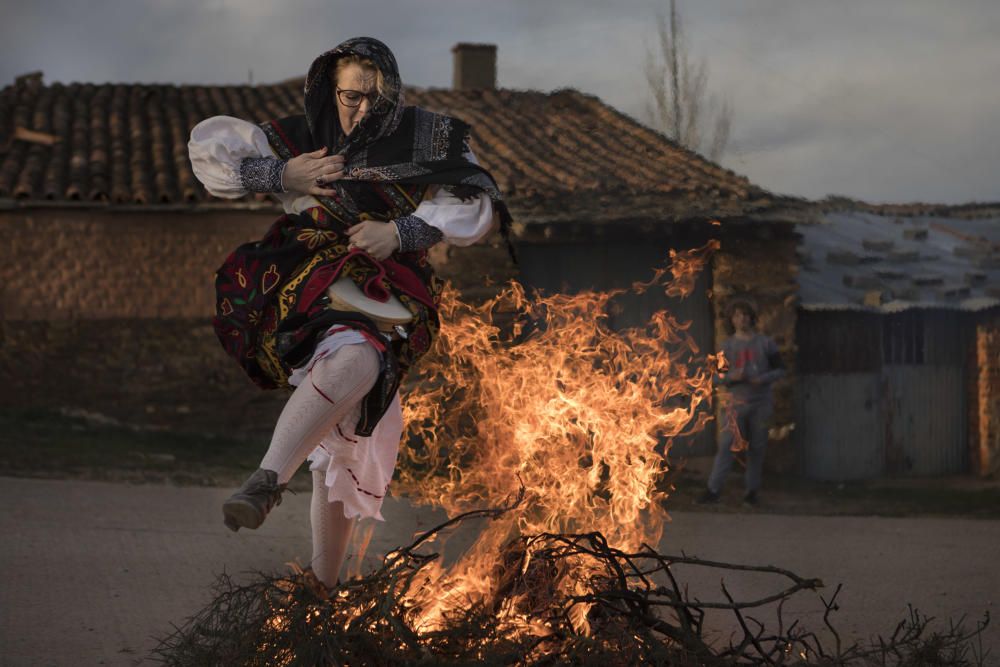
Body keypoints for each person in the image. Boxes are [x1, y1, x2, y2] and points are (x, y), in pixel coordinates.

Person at [187, 37, 511, 589]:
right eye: (349, 95)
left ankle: (323, 588)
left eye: (372, 99)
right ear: (329, 87)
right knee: (356, 360)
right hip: (300, 278)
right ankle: (266, 481)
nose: (359, 108)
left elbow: (477, 201)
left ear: (393, 94)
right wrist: (281, 176)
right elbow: (211, 156)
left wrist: (400, 230)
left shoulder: (427, 135)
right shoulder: (297, 135)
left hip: (390, 286)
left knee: (345, 434)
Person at [697, 299, 784, 507]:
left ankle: (752, 491)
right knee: (727, 445)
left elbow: (781, 370)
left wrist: (762, 379)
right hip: (734, 405)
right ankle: (713, 490)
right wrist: (731, 377)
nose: (742, 319)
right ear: (732, 319)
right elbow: (713, 377)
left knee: (757, 447)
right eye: (737, 315)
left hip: (760, 403)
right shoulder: (725, 347)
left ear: (751, 318)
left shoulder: (766, 343)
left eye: (745, 315)